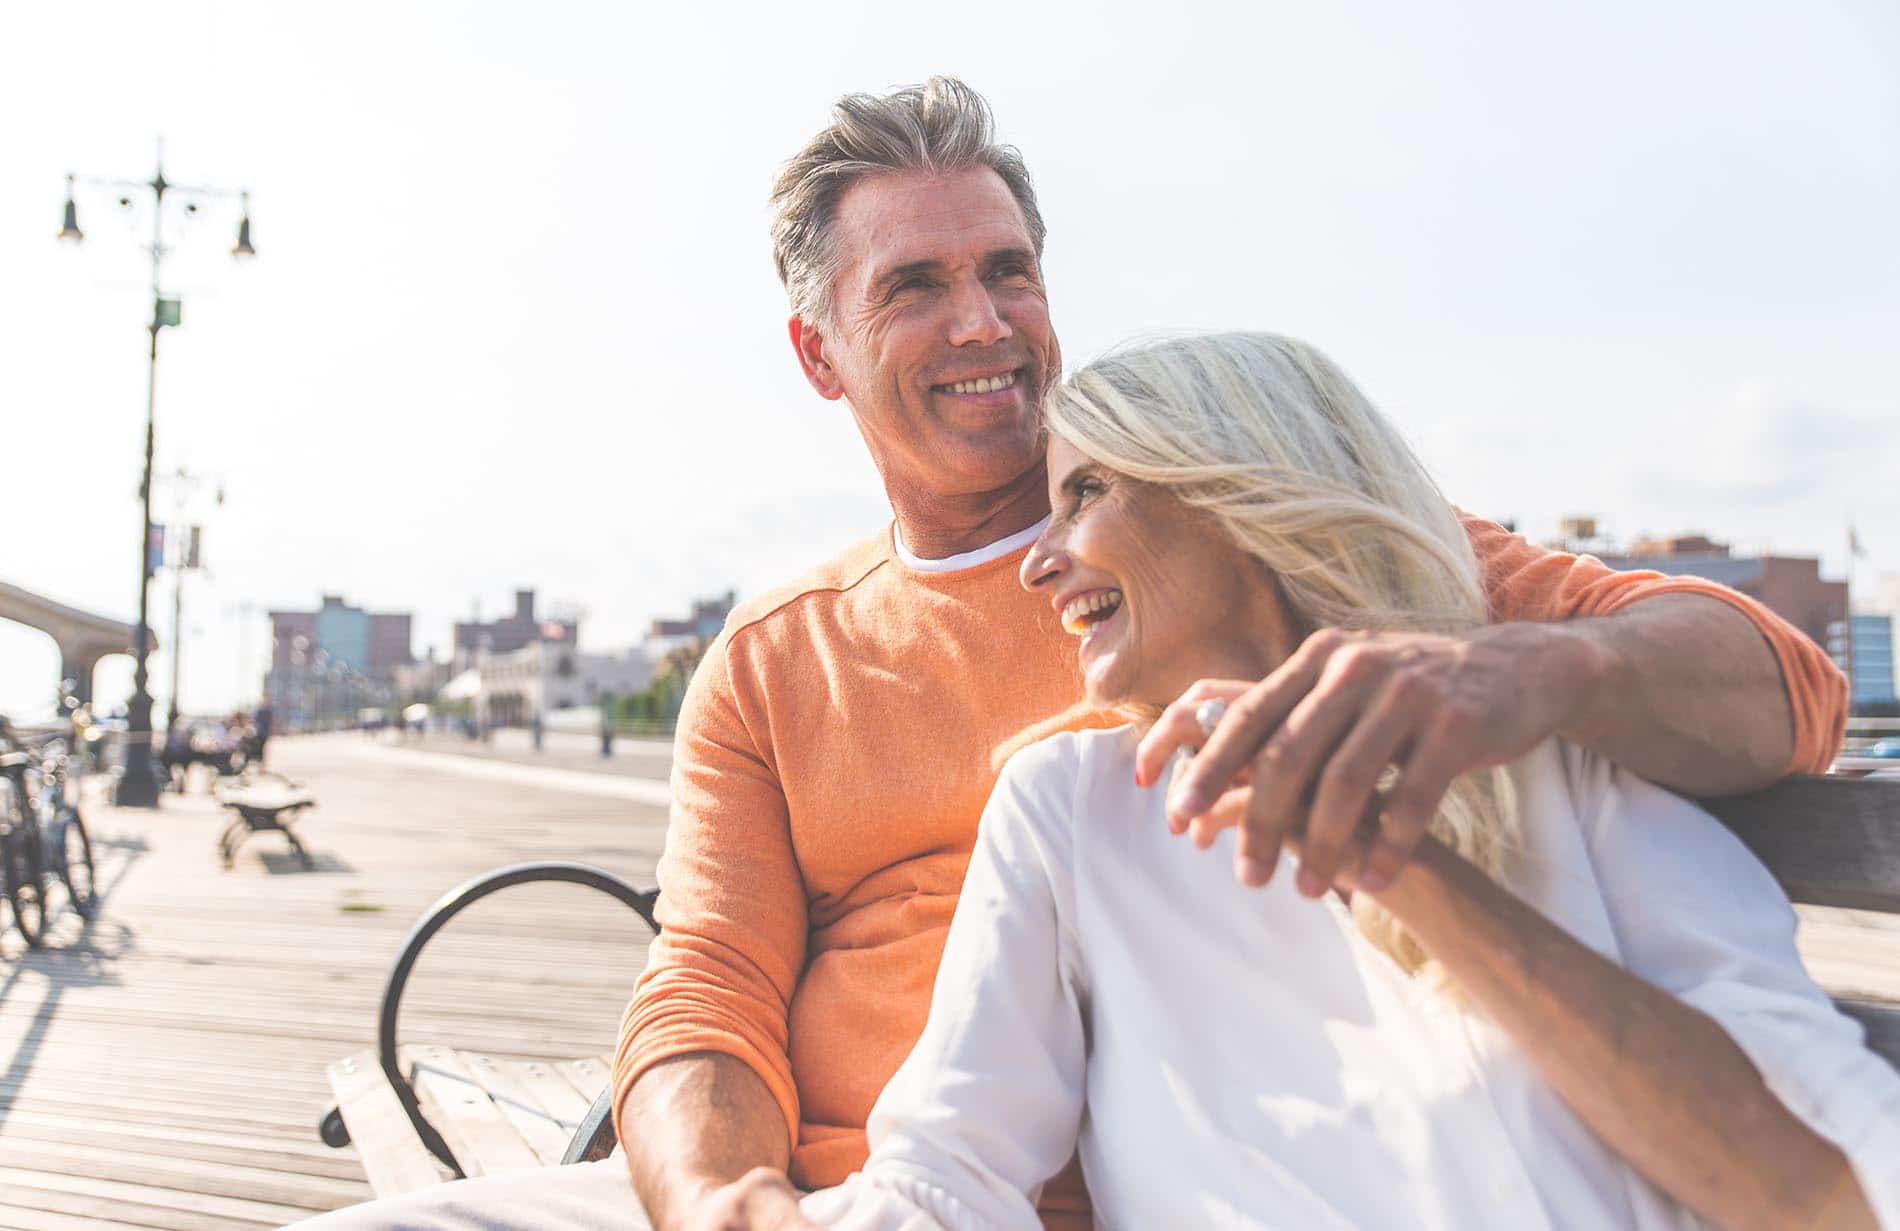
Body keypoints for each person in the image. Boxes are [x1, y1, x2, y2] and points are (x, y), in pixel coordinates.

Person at [296, 79, 1846, 1231]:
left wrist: (1529, 674)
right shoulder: (774, 662)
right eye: (915, 283)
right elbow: (705, 986)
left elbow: (1781, 684)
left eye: (1009, 267)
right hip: (837, 1193)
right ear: (816, 351)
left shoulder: (1234, 532)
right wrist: (722, 1204)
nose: (987, 320)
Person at [795, 332, 1899, 1230]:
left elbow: (1832, 1196)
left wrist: (1399, 865)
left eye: (1085, 491)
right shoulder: (1075, 811)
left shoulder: (1559, 766)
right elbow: (943, 1178)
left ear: (1239, 496)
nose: (1039, 556)